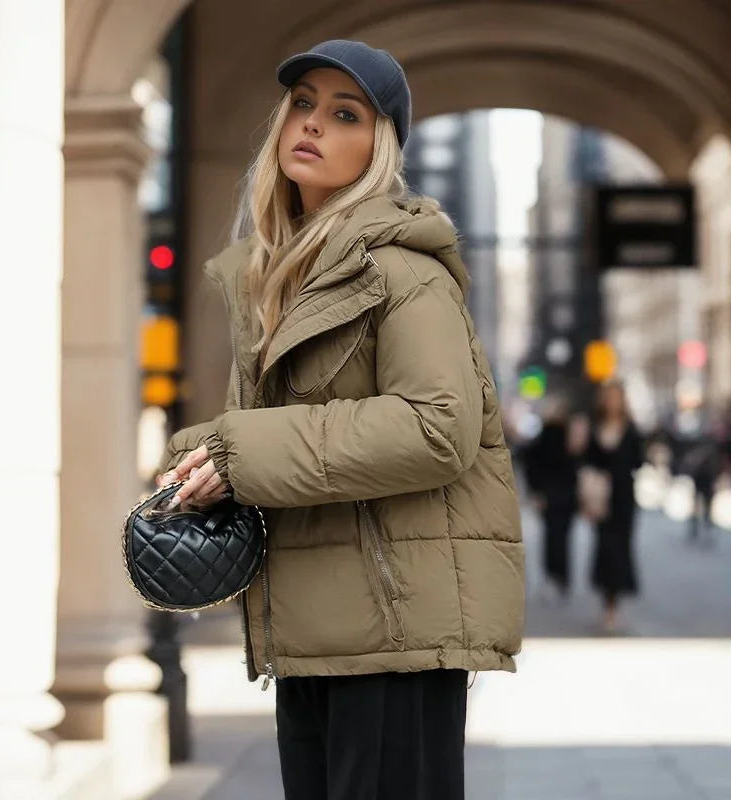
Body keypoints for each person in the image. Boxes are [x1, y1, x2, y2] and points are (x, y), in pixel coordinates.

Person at [154, 39, 524, 800]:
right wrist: (204, 456)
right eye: (303, 104)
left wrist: (236, 449)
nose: (313, 123)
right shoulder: (278, 275)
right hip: (318, 624)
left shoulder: (403, 270)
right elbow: (292, 435)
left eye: (344, 112)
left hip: (393, 629)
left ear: (378, 145)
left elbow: (436, 427)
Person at [583, 380, 643, 633]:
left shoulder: (631, 430)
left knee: (621, 551)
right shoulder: (594, 428)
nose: (612, 402)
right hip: (601, 500)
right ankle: (606, 602)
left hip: (624, 500)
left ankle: (613, 605)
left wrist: (616, 472)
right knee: (604, 550)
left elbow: (639, 461)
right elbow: (586, 459)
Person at [524, 395, 579, 601]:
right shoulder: (548, 436)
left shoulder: (566, 435)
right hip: (554, 494)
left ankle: (558, 577)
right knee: (556, 538)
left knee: (557, 538)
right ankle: (557, 577)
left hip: (559, 495)